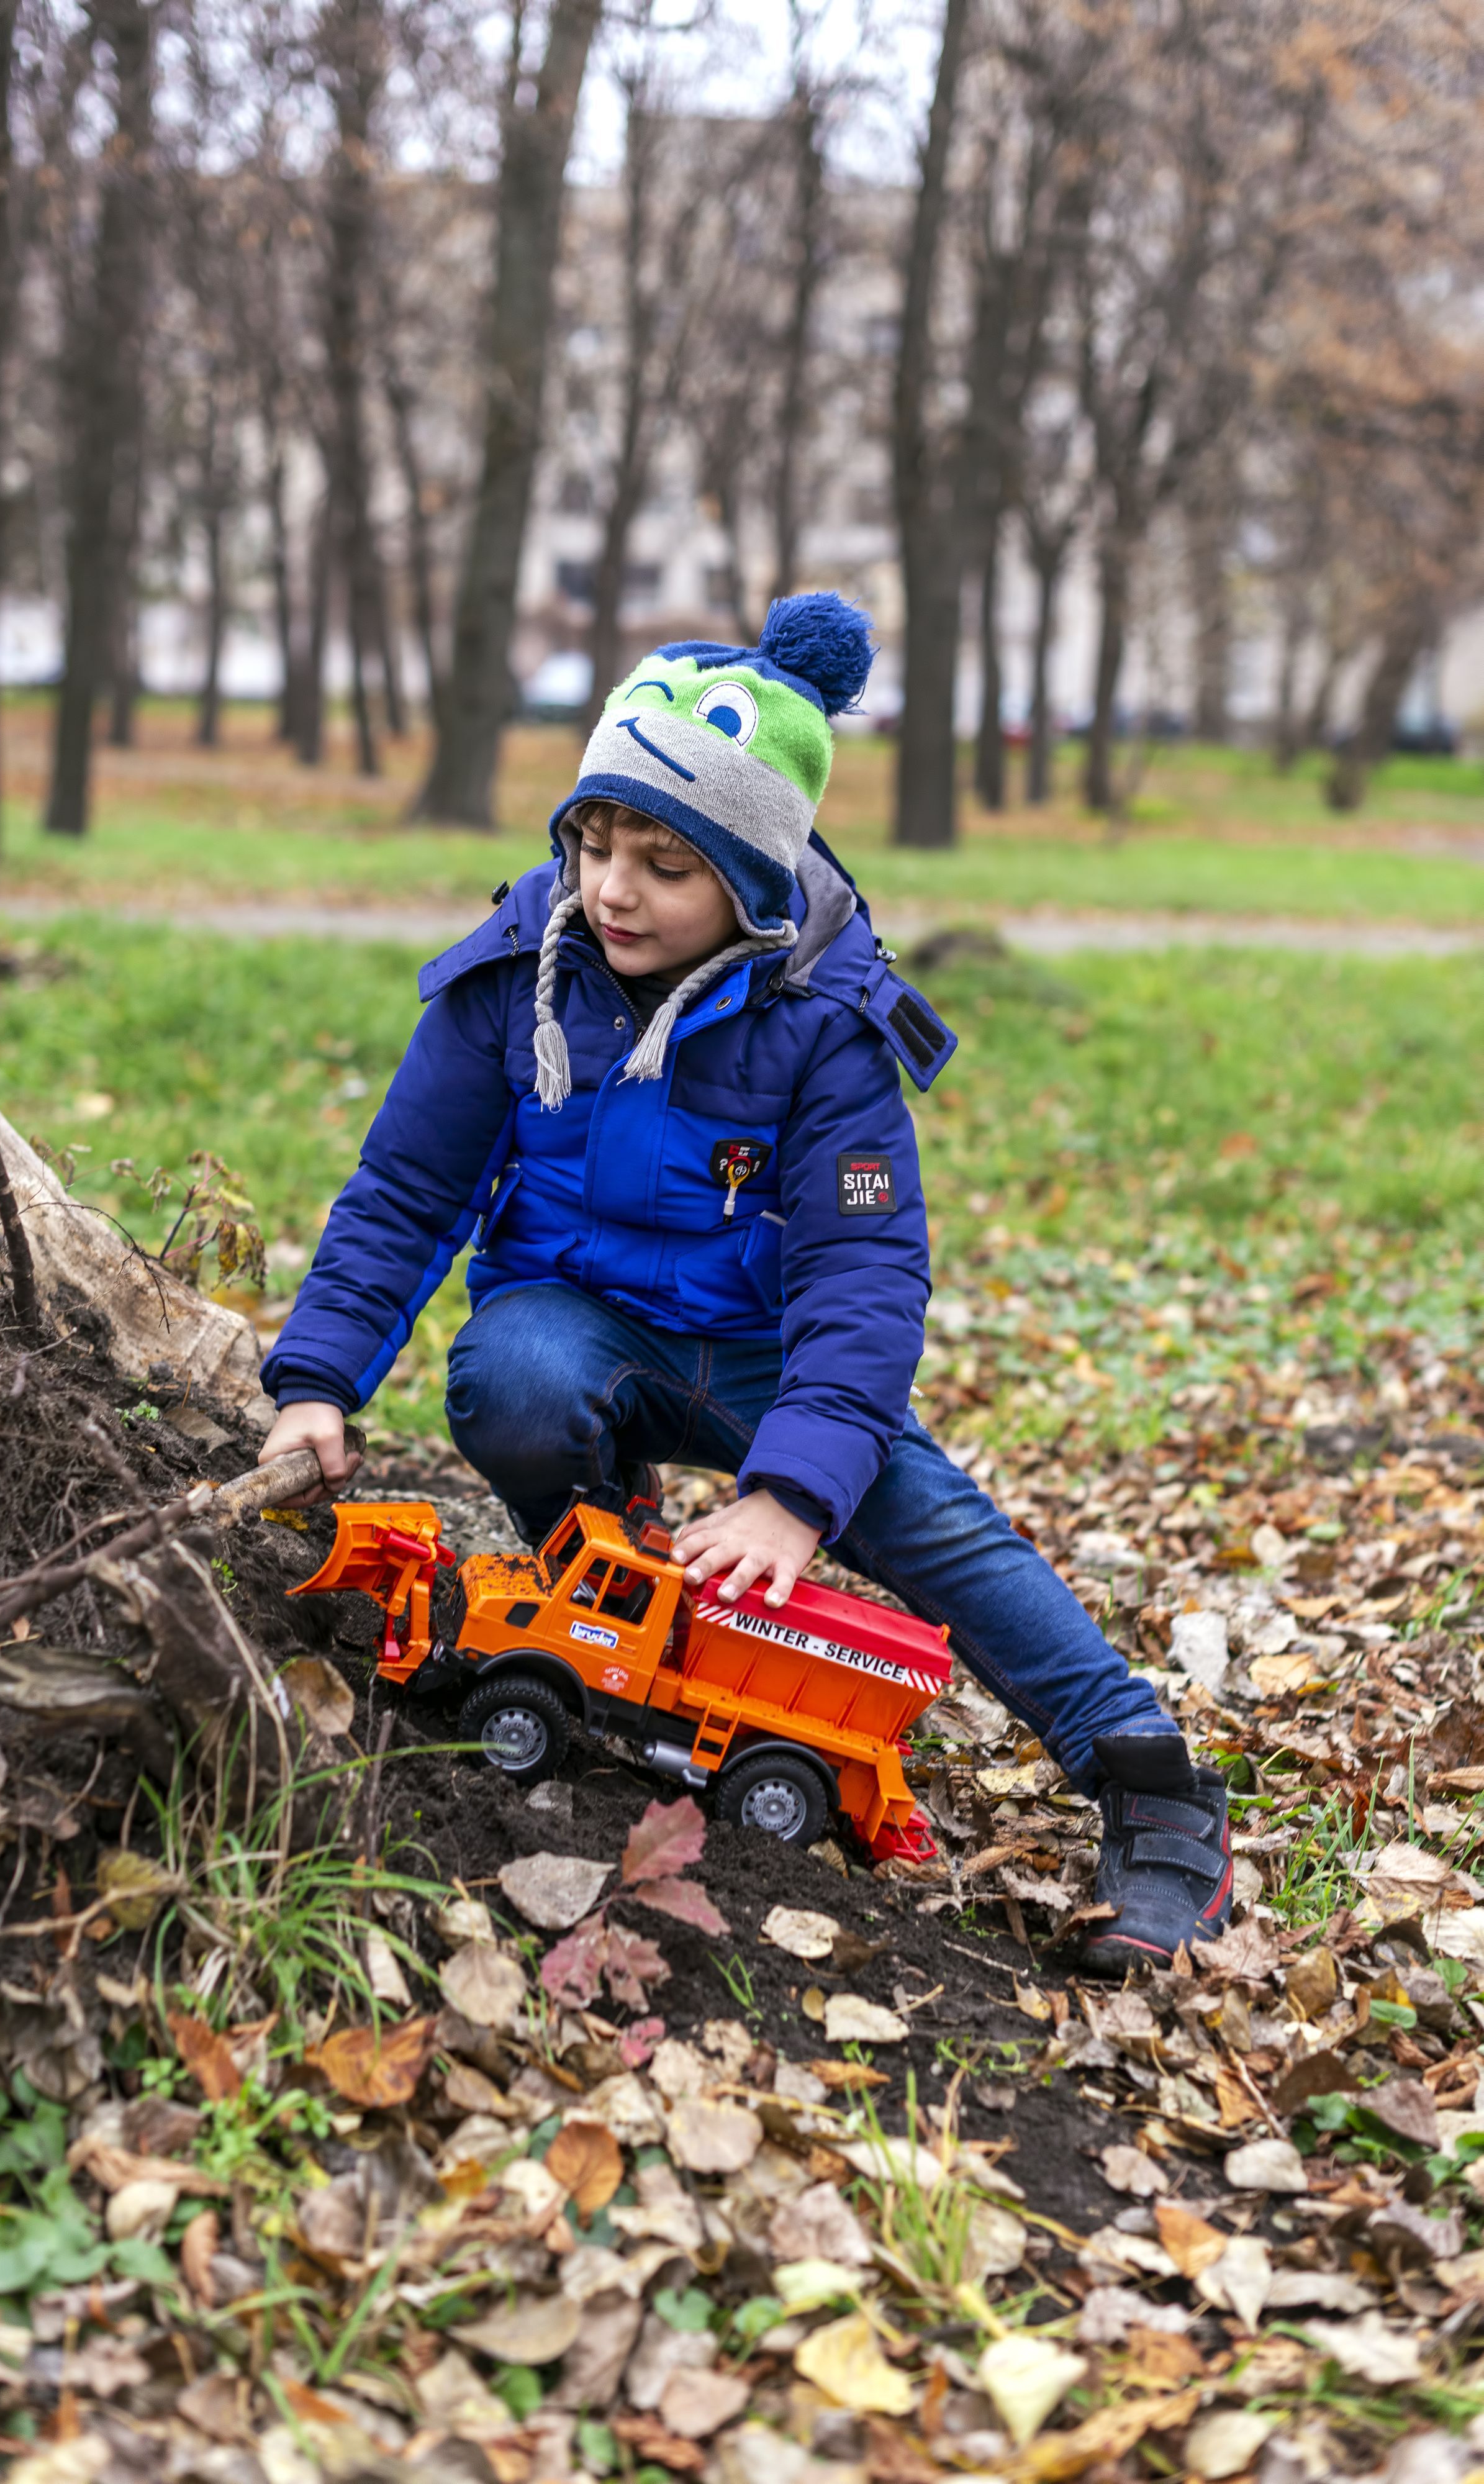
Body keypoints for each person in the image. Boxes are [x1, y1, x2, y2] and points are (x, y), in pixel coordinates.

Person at [257, 594, 1231, 1973]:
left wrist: (791, 1490)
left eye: (665, 860)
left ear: (753, 875)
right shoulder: (517, 971)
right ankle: (614, 1599)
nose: (613, 889)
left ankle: (1153, 1784)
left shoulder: (829, 1019)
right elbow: (406, 1191)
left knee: (936, 1526)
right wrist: (314, 1379)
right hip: (581, 1329)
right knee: (513, 1373)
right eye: (595, 841)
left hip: (774, 1361)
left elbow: (864, 1268)